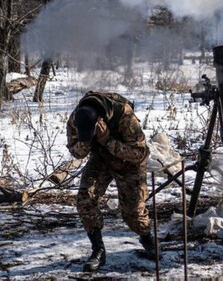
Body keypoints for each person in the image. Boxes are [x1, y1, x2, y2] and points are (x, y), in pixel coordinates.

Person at [66, 91, 159, 272]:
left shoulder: (124, 115)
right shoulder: (77, 118)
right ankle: (98, 250)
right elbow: (76, 151)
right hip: (101, 158)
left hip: (130, 162)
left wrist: (107, 140)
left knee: (133, 214)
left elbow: (140, 153)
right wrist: (86, 142)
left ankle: (147, 237)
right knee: (85, 199)